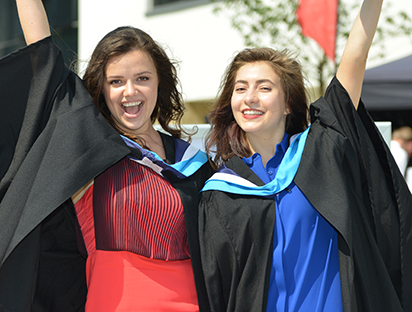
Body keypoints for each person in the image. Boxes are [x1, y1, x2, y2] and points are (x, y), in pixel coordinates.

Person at [197, 0, 412, 311]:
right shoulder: (221, 192)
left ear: (287, 103)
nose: (250, 98)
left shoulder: (319, 152)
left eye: (264, 87)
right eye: (240, 88)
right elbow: (218, 287)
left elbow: (355, 58)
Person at [0, 0, 213, 311]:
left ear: (158, 83)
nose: (130, 92)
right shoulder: (92, 148)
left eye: (142, 78)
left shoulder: (194, 162)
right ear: (100, 89)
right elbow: (44, 60)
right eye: (116, 82)